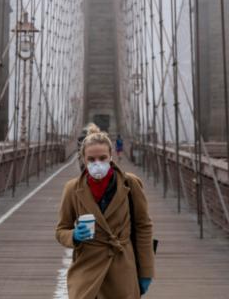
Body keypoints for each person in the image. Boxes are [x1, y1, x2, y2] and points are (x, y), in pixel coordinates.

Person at [56, 123, 155, 298]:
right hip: (86, 269)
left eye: (102, 158)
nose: (97, 164)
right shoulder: (72, 189)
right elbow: (61, 230)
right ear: (83, 159)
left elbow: (143, 227)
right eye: (91, 160)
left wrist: (146, 271)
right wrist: (74, 236)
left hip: (121, 269)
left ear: (111, 156)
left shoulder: (129, 184)